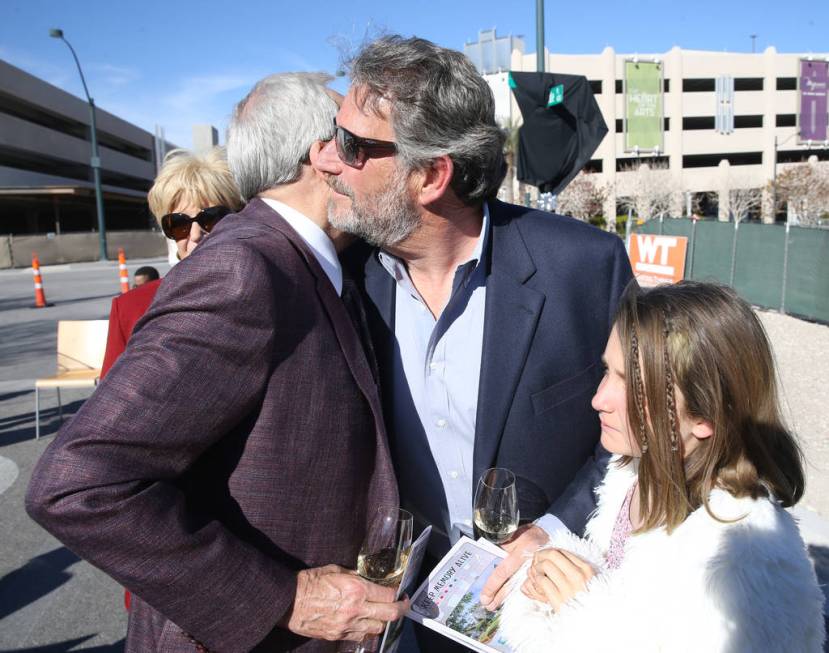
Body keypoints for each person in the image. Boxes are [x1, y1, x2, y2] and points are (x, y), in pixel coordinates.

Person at [26, 72, 405, 652]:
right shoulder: (243, 271)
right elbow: (78, 482)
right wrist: (285, 598)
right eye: (362, 145)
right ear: (326, 155)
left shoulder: (314, 260)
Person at [314, 34, 633, 631]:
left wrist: (555, 526)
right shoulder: (345, 277)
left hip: (553, 605)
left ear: (432, 175)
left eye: (354, 146)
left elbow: (641, 429)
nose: (328, 159)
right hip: (417, 610)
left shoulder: (584, 267)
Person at [500, 281, 825, 652]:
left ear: (704, 415)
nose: (598, 399)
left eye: (633, 385)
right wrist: (560, 582)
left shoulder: (745, 557)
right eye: (607, 371)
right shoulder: (632, 475)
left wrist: (588, 614)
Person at [101, 147, 243, 380]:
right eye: (179, 223)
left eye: (211, 218)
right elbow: (110, 405)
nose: (195, 234)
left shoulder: (269, 294)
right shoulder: (131, 308)